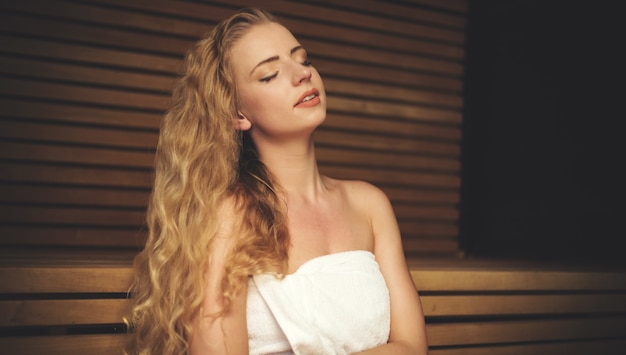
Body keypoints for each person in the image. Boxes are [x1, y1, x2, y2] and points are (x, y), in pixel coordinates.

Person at [129, 7, 428, 355]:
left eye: (303, 59)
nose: (302, 74)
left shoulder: (370, 205)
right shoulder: (231, 215)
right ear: (237, 114)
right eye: (270, 74)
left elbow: (412, 345)